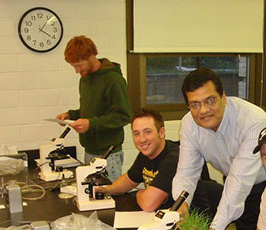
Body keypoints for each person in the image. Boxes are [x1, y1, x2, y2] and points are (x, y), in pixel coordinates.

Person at [171, 68, 266, 230]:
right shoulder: (189, 124)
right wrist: (180, 208)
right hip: (233, 182)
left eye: (210, 100)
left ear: (223, 97)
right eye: (195, 104)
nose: (203, 110)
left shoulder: (253, 121)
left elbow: (240, 181)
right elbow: (186, 172)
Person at [95, 108, 221, 214]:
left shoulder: (173, 159)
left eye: (147, 132)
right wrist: (106, 189)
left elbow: (148, 204)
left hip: (191, 228)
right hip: (164, 218)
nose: (142, 139)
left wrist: (139, 193)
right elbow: (128, 180)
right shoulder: (146, 154)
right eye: (136, 134)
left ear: (161, 132)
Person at [56, 36, 131, 182]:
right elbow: (90, 111)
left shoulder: (113, 80)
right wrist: (70, 115)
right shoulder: (85, 79)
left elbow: (123, 115)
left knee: (110, 197)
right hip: (89, 150)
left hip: (109, 154)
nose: (77, 71)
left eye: (79, 65)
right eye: (74, 67)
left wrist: (91, 124)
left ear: (91, 56)